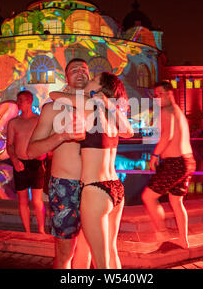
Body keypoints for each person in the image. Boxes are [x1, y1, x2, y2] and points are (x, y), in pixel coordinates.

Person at [49, 71, 134, 269]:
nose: (89, 80)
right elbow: (129, 132)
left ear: (100, 89)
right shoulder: (111, 114)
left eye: (94, 80)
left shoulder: (88, 105)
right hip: (116, 189)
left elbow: (53, 95)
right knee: (111, 252)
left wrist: (83, 95)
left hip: (95, 190)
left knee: (101, 261)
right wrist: (109, 103)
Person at [26, 58, 91, 269]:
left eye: (84, 69)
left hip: (95, 185)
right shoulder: (52, 108)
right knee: (65, 252)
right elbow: (31, 150)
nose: (80, 71)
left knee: (89, 246)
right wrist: (60, 137)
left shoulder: (98, 107)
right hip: (66, 185)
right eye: (74, 69)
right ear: (66, 77)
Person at [141, 80, 196, 249]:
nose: (157, 98)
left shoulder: (166, 110)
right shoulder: (178, 111)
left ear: (170, 93)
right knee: (176, 202)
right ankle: (183, 240)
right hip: (188, 161)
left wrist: (155, 155)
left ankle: (162, 234)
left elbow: (167, 136)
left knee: (148, 197)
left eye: (160, 94)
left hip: (175, 163)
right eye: (155, 96)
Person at [7, 90, 46, 233]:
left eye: (21, 100)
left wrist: (43, 154)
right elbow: (9, 144)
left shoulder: (38, 120)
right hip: (20, 163)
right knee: (23, 200)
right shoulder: (13, 123)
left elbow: (46, 140)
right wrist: (15, 160)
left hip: (35, 163)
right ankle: (27, 231)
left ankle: (41, 230)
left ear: (29, 102)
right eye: (17, 100)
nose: (18, 103)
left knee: (37, 201)